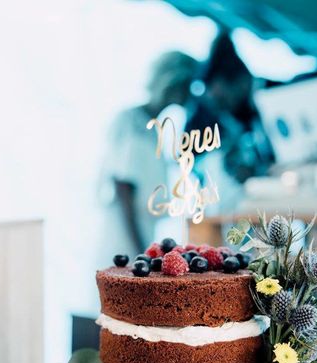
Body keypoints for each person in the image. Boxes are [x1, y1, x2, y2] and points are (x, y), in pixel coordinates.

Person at [98, 51, 198, 258]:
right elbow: (122, 186)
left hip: (140, 231)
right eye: (189, 85)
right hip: (123, 236)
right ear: (175, 84)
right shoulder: (130, 122)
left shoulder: (154, 129)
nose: (192, 94)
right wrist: (140, 251)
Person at [186, 33, 272, 211]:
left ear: (241, 82)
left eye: (224, 100)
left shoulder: (275, 96)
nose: (221, 109)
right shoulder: (211, 113)